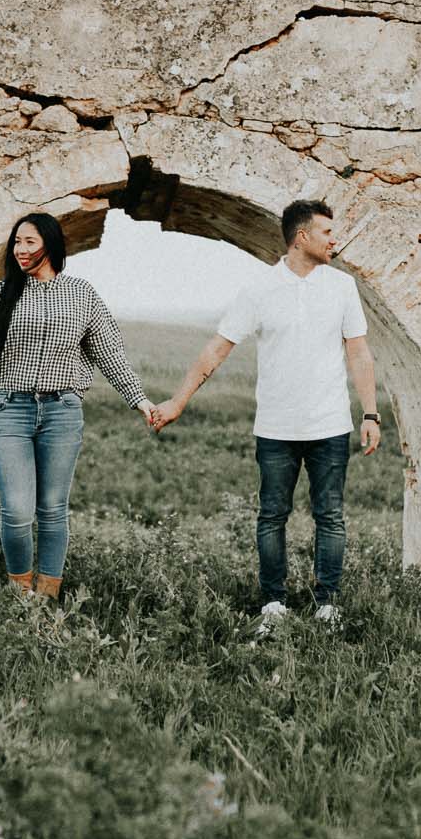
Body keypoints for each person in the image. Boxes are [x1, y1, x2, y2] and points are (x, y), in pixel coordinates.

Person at [152, 199, 380, 629]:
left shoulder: (342, 287)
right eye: (327, 232)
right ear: (302, 237)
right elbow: (217, 348)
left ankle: (327, 604)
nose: (335, 239)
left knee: (330, 515)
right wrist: (177, 402)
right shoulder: (258, 289)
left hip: (330, 424)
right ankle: (273, 604)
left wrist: (371, 414)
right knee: (272, 515)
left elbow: (359, 352)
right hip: (276, 428)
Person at [0, 212, 160, 599]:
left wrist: (139, 399)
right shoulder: (3, 293)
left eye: (29, 242)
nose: (20, 249)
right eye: (17, 242)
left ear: (50, 245)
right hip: (10, 409)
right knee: (17, 511)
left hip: (61, 411)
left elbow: (109, 352)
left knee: (52, 509)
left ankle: (47, 597)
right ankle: (20, 596)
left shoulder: (81, 294)